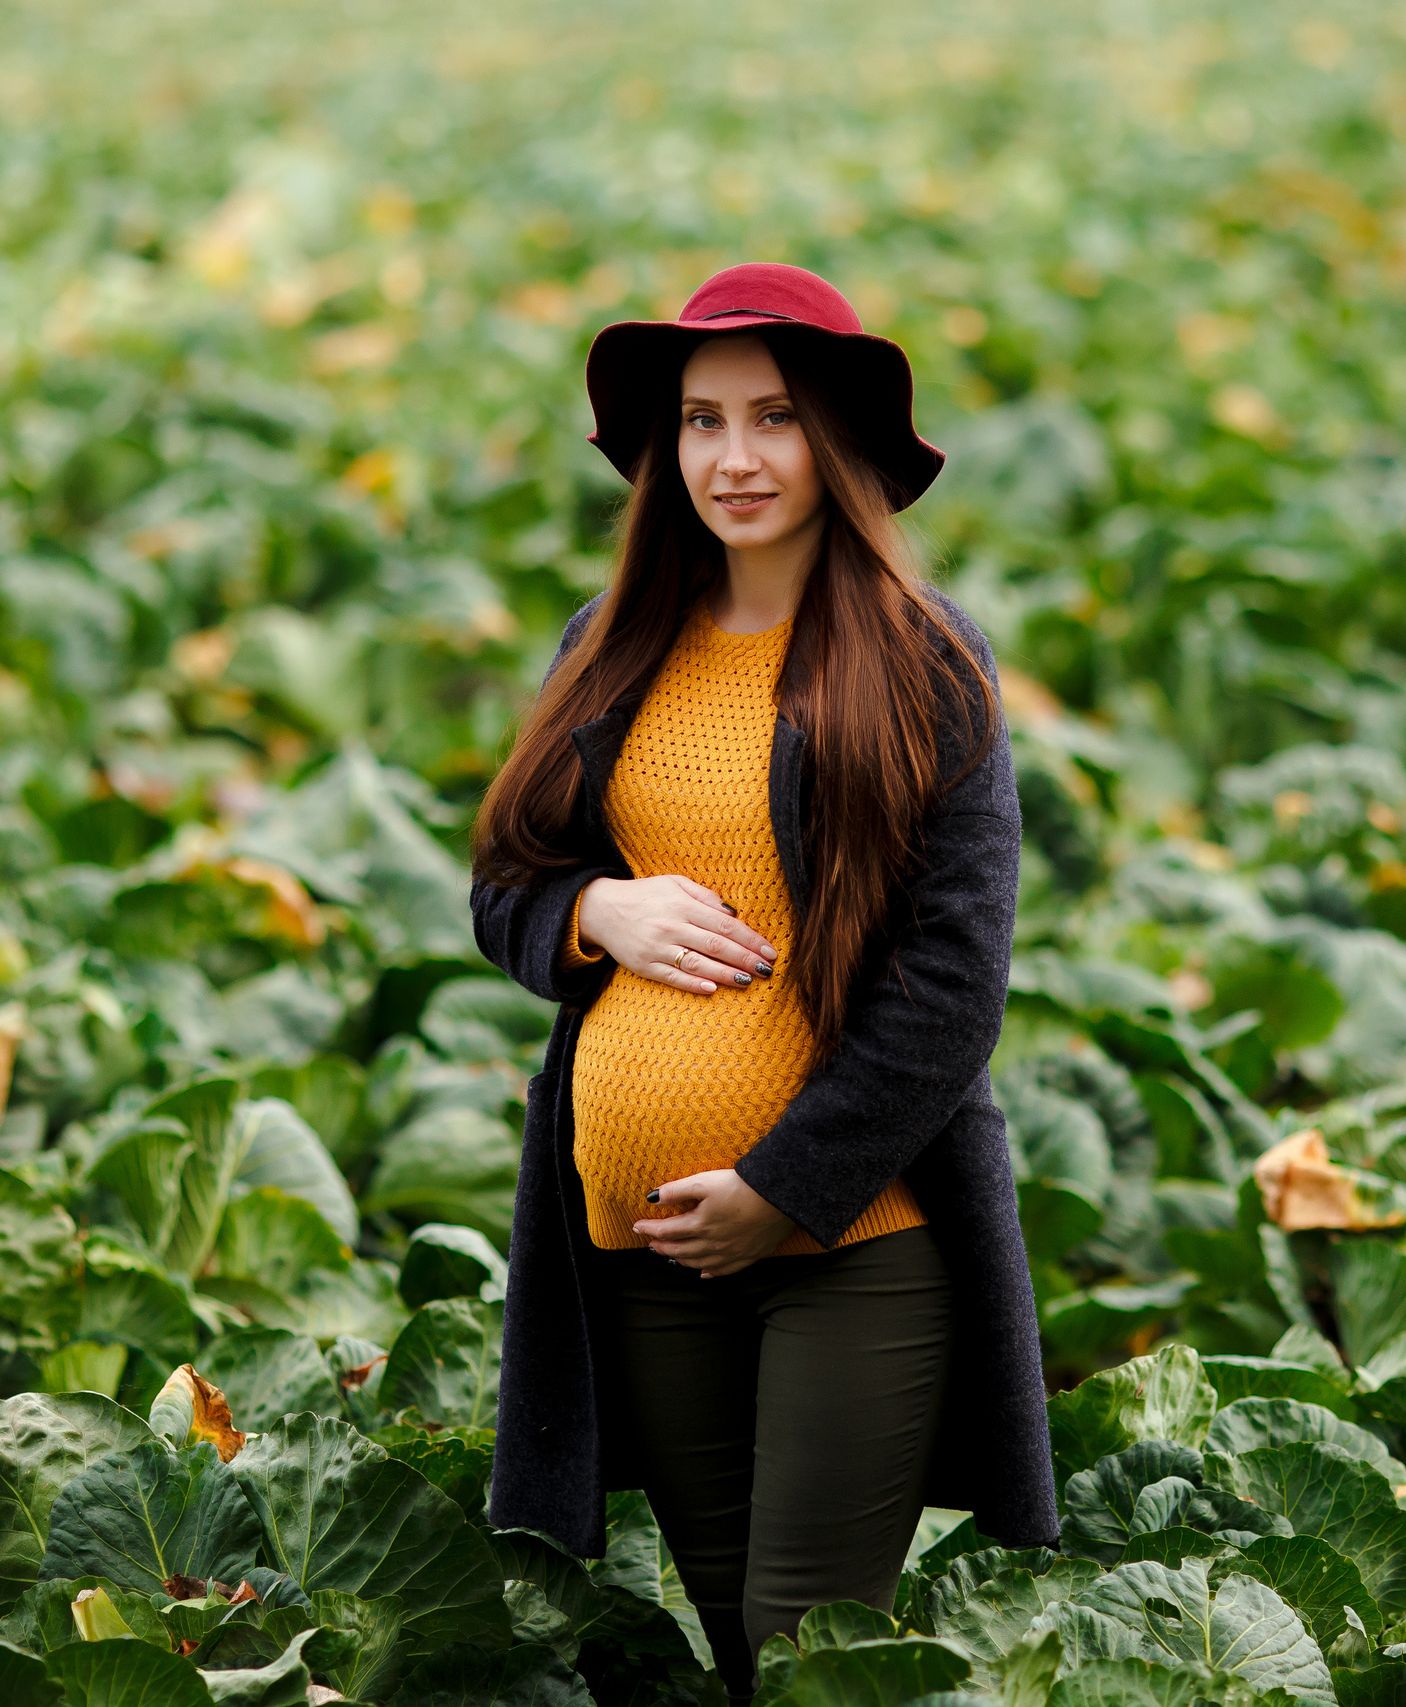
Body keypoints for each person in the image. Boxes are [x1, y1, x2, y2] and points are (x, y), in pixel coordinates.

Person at [469, 262, 1056, 1702]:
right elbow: (502, 890)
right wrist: (596, 909)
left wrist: (783, 1188)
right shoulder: (607, 649)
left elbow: (953, 984)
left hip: (856, 1232)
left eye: (775, 419)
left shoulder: (927, 663)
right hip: (643, 1241)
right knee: (736, 1638)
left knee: (808, 1642)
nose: (734, 460)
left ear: (837, 443)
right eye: (702, 422)